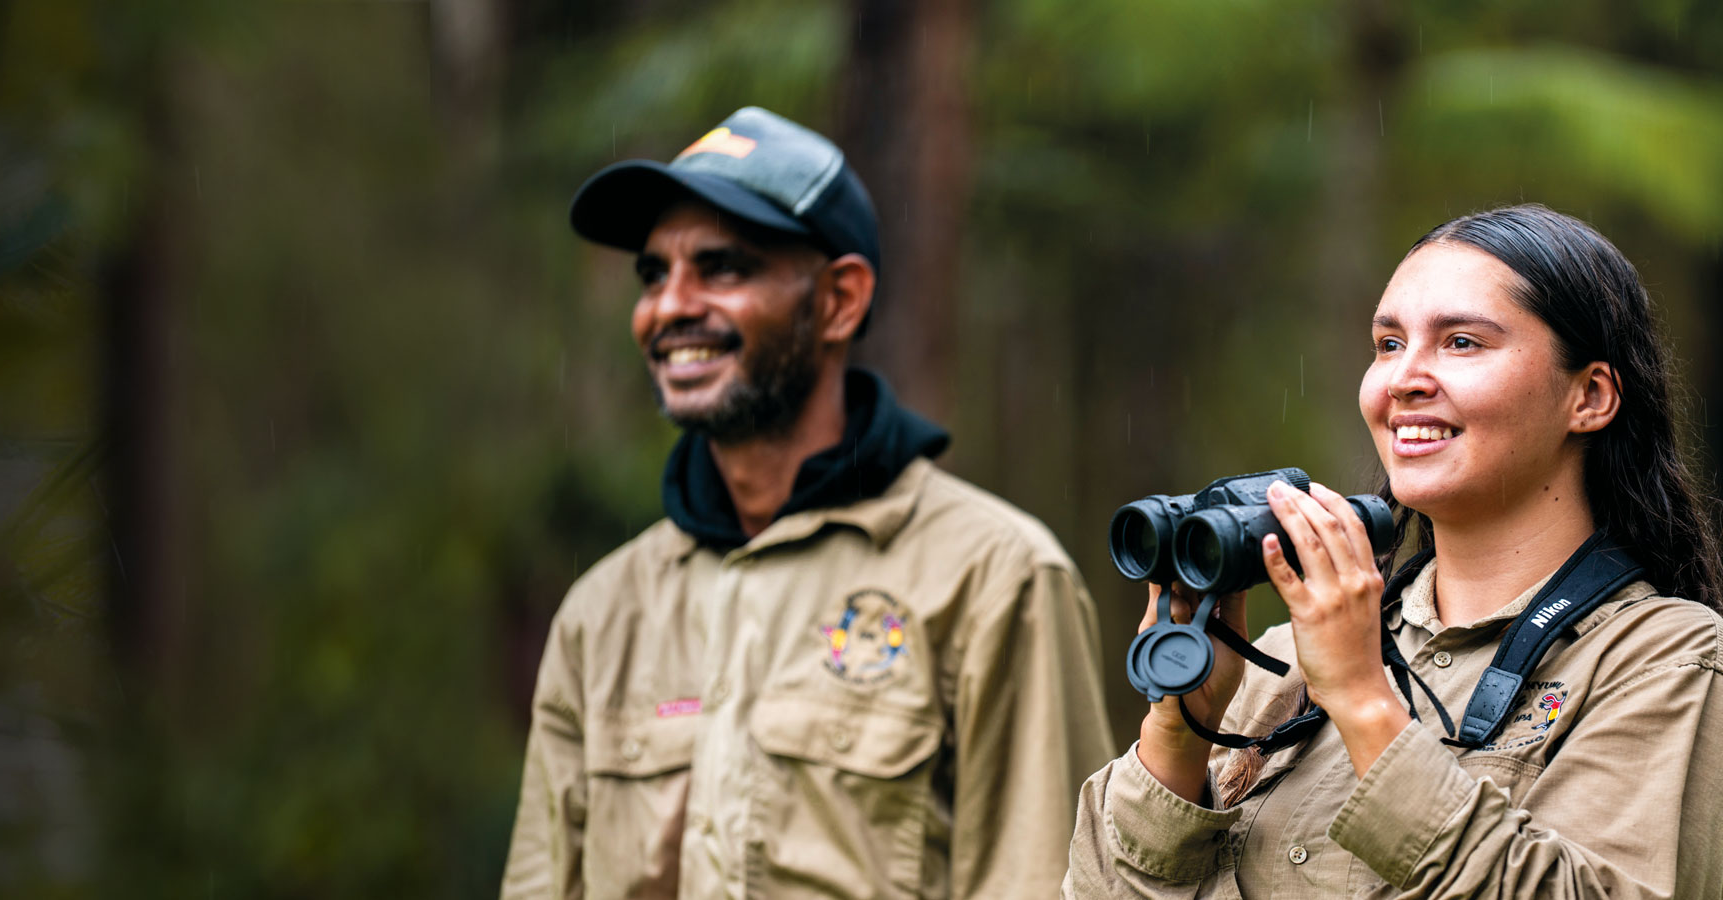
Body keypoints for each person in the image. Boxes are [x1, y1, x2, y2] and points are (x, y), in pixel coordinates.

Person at [500, 106, 1116, 899]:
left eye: (721, 268)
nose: (669, 306)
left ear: (839, 301)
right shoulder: (602, 614)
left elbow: (1043, 884)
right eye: (653, 275)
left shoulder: (997, 578)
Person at [1063, 204, 1723, 898]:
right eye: (1387, 344)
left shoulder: (1663, 660)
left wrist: (1362, 701)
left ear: (1588, 396)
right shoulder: (1283, 665)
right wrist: (1180, 733)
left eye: (1461, 342)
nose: (1403, 379)